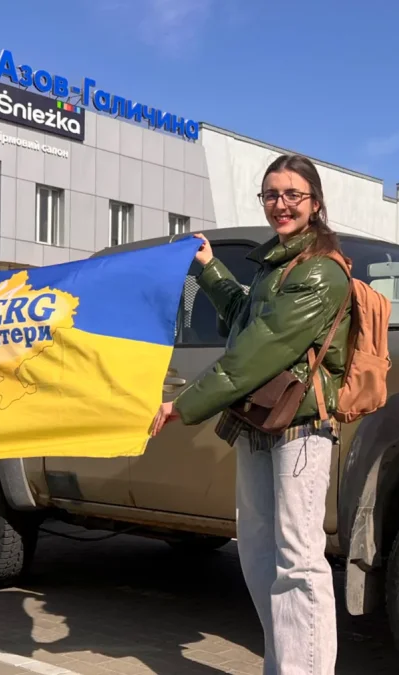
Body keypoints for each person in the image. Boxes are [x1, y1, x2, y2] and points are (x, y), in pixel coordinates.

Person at [151, 153, 351, 674]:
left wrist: (183, 405)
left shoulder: (321, 273)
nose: (280, 204)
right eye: (271, 195)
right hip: (259, 424)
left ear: (315, 202)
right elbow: (245, 317)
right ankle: (282, 664)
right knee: (259, 556)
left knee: (299, 563)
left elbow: (257, 351)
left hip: (301, 429)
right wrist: (210, 267)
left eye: (291, 195)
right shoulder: (277, 265)